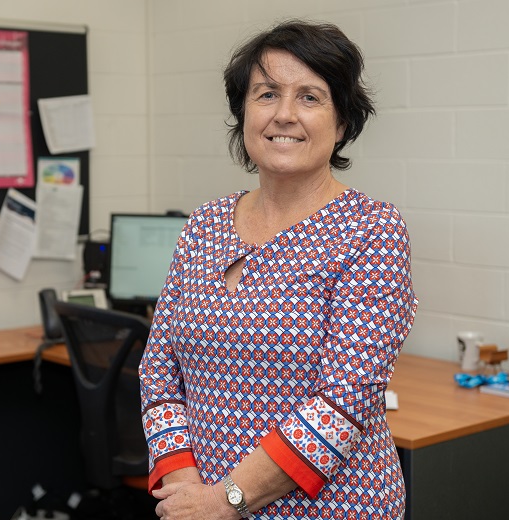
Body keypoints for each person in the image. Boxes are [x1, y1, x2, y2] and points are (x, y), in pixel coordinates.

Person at [139, 19, 418, 519]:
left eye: (310, 97)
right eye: (266, 94)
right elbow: (159, 375)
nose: (284, 115)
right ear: (243, 112)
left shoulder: (370, 231)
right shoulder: (205, 224)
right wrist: (189, 495)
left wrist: (228, 499)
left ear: (342, 123)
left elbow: (341, 404)